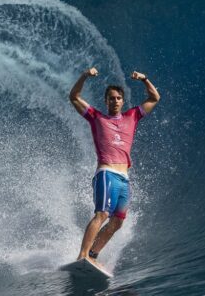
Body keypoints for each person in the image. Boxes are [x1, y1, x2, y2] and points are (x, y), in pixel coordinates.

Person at [69, 67, 160, 265]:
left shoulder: (132, 116)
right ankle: (82, 255)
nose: (115, 101)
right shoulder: (96, 117)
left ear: (122, 100)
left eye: (118, 98)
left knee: (117, 222)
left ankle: (93, 255)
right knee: (101, 214)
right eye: (111, 98)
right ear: (106, 101)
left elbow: (154, 98)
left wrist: (144, 78)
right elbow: (74, 96)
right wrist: (85, 75)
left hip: (124, 179)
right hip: (106, 173)